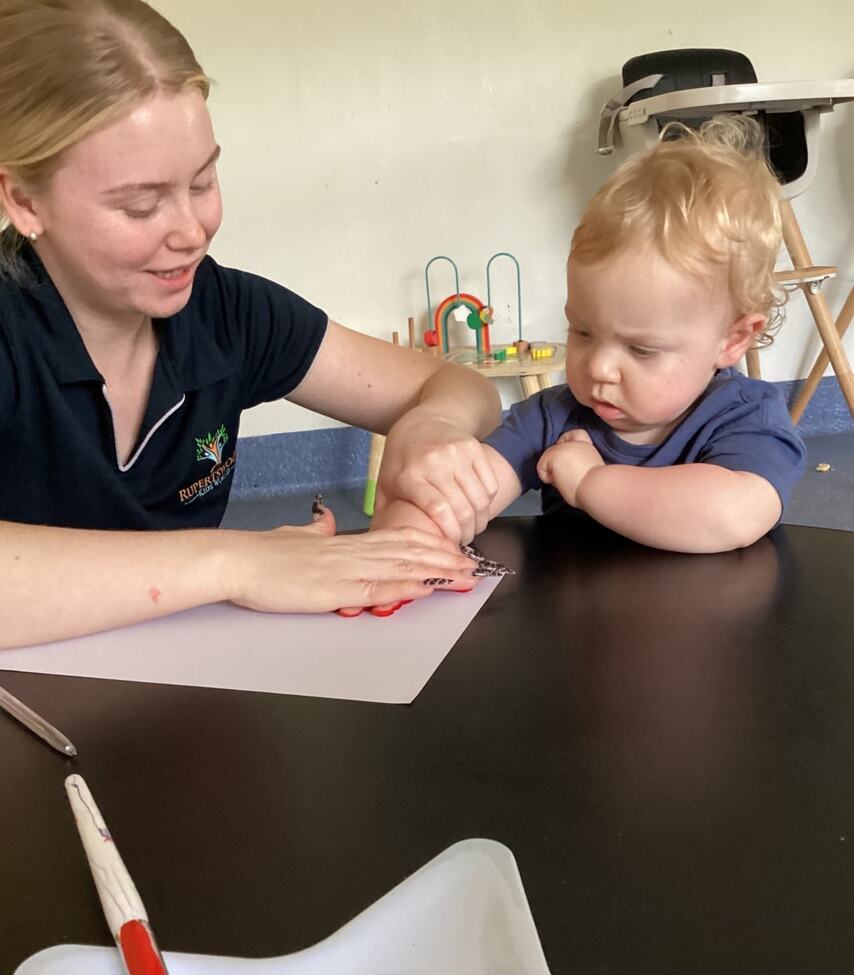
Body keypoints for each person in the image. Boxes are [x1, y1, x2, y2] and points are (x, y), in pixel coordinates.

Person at [0, 0, 502, 650]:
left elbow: (462, 387)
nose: (192, 232)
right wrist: (238, 562)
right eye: (141, 206)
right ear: (23, 200)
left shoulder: (226, 311)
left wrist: (430, 429)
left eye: (203, 182)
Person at [370, 115, 807, 568]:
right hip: (578, 610)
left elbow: (731, 515)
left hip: (708, 612)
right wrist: (410, 534)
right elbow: (462, 497)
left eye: (640, 349)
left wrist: (588, 483)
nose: (598, 367)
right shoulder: (552, 417)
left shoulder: (746, 417)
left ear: (733, 340)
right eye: (582, 331)